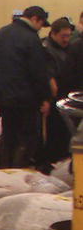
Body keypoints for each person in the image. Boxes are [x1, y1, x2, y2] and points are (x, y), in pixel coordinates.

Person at [0, 5, 52, 170]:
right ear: (35, 19)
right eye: (41, 24)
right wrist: (45, 97)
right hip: (26, 99)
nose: (40, 29)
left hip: (3, 97)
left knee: (8, 134)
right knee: (26, 136)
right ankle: (17, 171)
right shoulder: (31, 39)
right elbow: (38, 72)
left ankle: (1, 170)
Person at [42, 17, 75, 168]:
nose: (66, 39)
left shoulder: (68, 48)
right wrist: (47, 99)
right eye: (63, 36)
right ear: (53, 34)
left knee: (65, 135)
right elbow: (48, 77)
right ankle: (50, 163)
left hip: (66, 98)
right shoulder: (46, 49)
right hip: (52, 99)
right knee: (54, 135)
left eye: (68, 36)